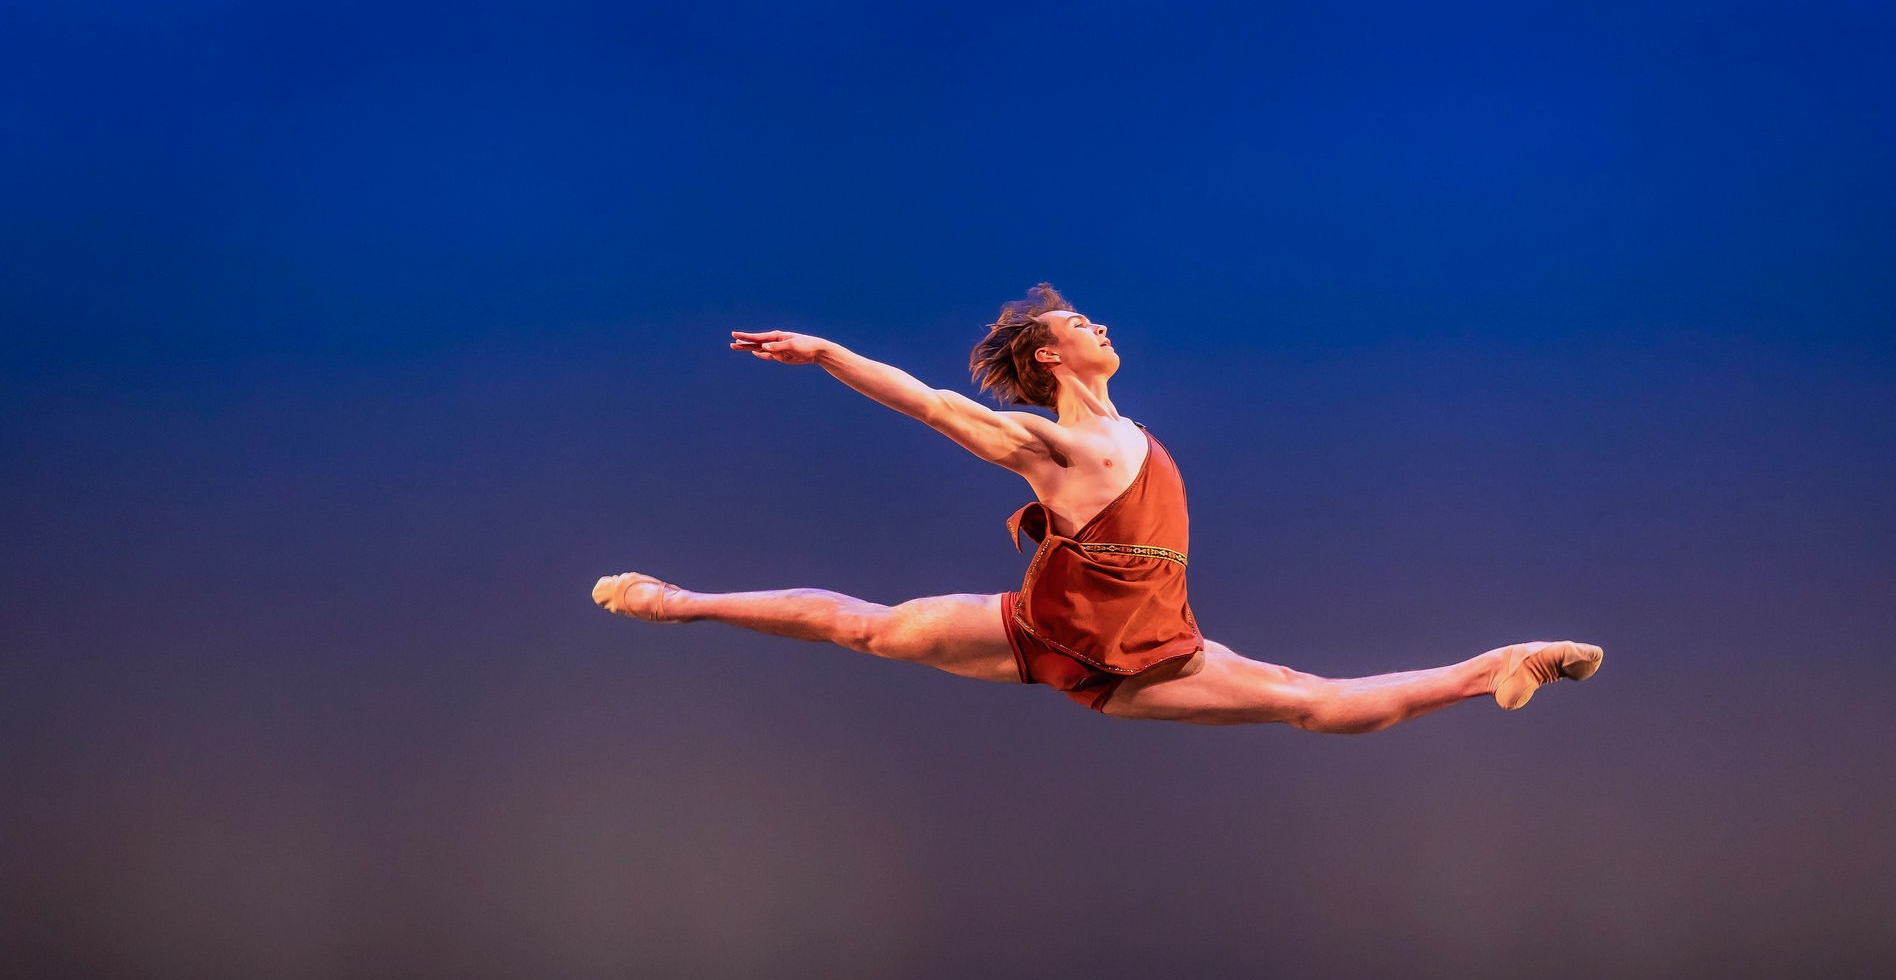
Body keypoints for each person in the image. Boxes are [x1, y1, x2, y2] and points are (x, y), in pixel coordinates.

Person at [592, 284, 1600, 731]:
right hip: (1048, 629)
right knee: (864, 626)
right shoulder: (1055, 445)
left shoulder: (1132, 434)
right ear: (1049, 353)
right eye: (1081, 322)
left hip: (1144, 651)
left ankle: (1496, 666)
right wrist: (826, 354)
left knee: (1306, 697)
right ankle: (676, 599)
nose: (1100, 325)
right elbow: (934, 404)